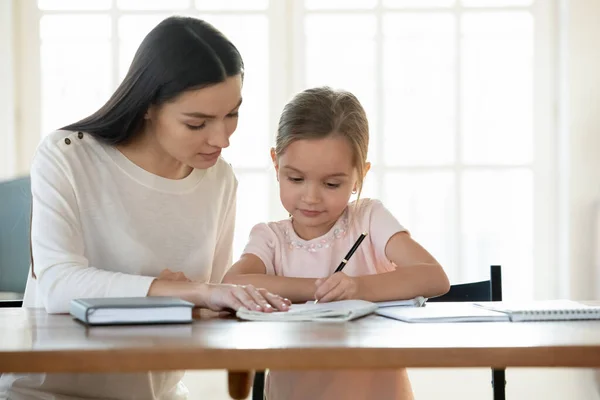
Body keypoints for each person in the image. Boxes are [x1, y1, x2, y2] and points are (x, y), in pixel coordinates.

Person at [0, 16, 289, 400]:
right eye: (197, 122)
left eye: (231, 115)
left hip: (156, 393)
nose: (221, 139)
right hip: (48, 393)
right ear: (149, 106)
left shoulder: (219, 181)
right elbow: (57, 285)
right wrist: (175, 291)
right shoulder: (68, 157)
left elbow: (210, 301)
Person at [222, 86, 451, 400]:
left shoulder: (369, 219)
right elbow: (233, 282)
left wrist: (356, 289)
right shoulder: (271, 237)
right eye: (295, 179)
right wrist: (319, 288)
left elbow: (433, 277)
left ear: (360, 174)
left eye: (332, 183)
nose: (311, 197)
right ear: (276, 164)